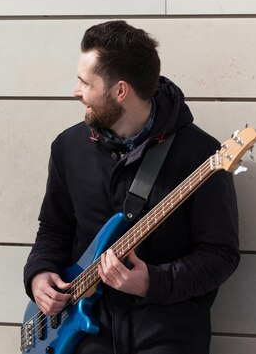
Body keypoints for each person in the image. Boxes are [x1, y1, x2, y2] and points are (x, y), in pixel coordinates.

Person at [23, 20, 240, 354]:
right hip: (82, 336)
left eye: (85, 82)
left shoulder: (201, 156)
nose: (76, 91)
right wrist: (39, 275)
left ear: (120, 91)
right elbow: (54, 228)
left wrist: (153, 282)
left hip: (166, 335)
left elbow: (220, 255)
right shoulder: (68, 147)